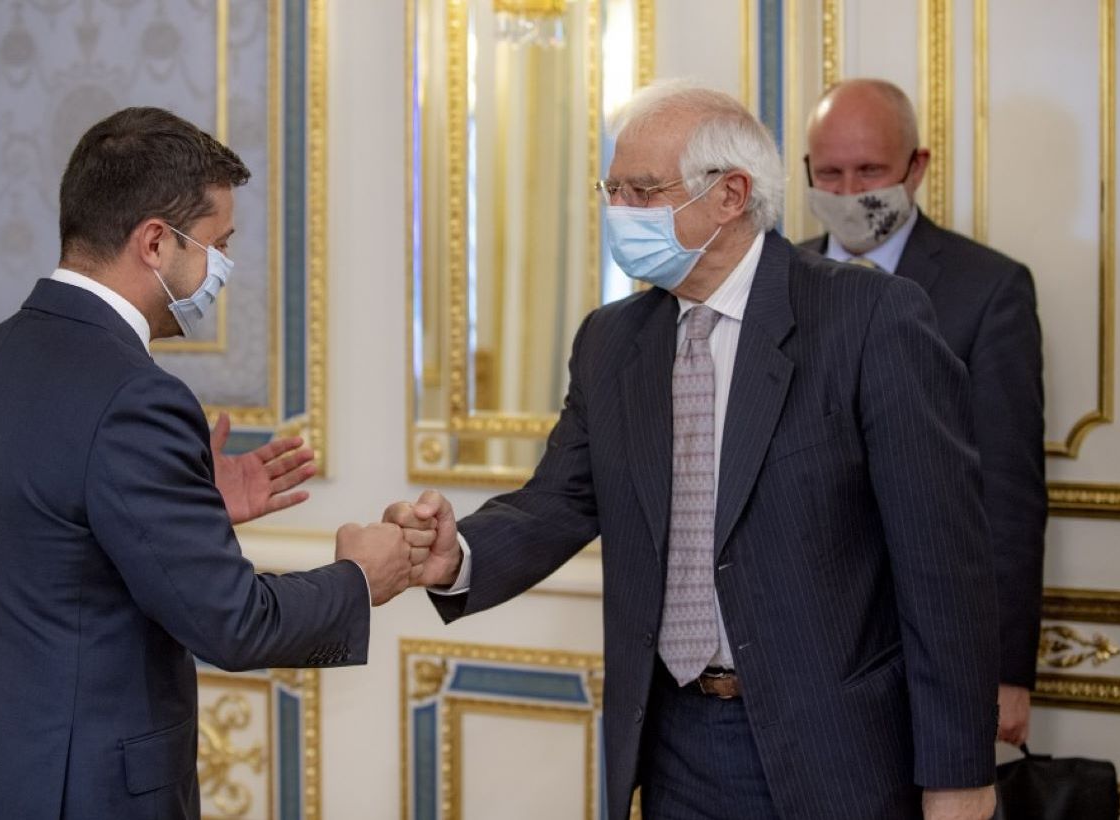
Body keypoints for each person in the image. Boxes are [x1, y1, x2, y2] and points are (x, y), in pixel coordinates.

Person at [388, 80, 1000, 819]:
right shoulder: (612, 341)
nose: (620, 211)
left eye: (642, 191)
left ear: (729, 195)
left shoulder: (867, 317)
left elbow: (943, 564)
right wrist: (457, 556)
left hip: (836, 747)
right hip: (673, 740)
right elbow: (559, 501)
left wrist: (959, 775)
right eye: (612, 190)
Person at [0, 107, 420, 820]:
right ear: (156, 242)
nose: (223, 269)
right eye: (218, 245)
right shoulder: (137, 397)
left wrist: (187, 509)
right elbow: (233, 625)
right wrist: (359, 579)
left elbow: (58, 539)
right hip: (90, 792)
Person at [800, 78, 1047, 747]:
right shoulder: (774, 280)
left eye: (870, 171)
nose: (849, 193)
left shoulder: (989, 289)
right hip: (796, 644)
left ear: (917, 167)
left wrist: (1006, 670)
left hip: (930, 643)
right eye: (830, 173)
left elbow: (1008, 491)